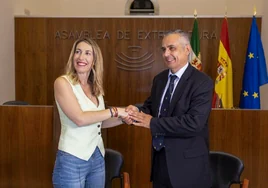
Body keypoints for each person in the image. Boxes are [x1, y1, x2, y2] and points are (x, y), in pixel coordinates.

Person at [126, 30, 214, 188]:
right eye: (163, 49)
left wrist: (152, 123)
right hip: (160, 163)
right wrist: (134, 113)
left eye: (172, 48)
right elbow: (151, 108)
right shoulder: (159, 79)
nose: (166, 54)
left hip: (188, 169)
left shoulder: (202, 82)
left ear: (187, 50)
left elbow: (194, 123)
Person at [52, 38, 131, 188]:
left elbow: (98, 122)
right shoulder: (63, 83)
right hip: (72, 159)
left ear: (94, 61)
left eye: (88, 53)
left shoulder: (95, 88)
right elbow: (80, 119)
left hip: (97, 157)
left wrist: (123, 118)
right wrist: (115, 111)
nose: (81, 57)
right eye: (78, 52)